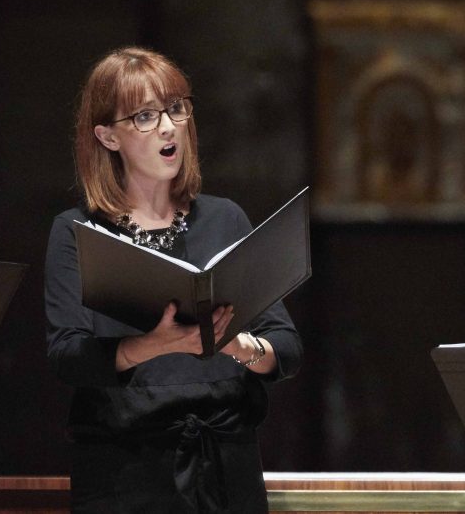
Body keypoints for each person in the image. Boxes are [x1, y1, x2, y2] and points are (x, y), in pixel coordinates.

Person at [44, 47, 302, 513]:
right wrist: (155, 345)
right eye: (144, 116)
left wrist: (235, 345)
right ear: (107, 136)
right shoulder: (78, 231)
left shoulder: (224, 219)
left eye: (176, 109)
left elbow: (285, 347)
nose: (168, 127)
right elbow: (67, 356)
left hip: (226, 467)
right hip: (124, 473)